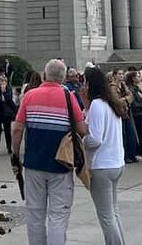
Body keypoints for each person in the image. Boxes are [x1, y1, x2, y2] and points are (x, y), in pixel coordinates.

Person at [11, 58, 87, 245]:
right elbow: (82, 130)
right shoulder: (69, 97)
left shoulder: (29, 96)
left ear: (45, 75)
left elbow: (17, 129)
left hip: (34, 163)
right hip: (61, 163)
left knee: (35, 214)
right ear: (62, 78)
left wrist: (15, 155)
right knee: (58, 216)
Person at [83, 65, 126, 245]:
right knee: (113, 212)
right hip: (116, 162)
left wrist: (81, 139)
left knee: (106, 216)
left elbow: (95, 139)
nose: (83, 85)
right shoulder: (112, 103)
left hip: (102, 165)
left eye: (85, 81)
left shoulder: (97, 105)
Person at [125, 71, 142, 161]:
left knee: (141, 132)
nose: (139, 78)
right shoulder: (132, 89)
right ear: (133, 79)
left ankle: (140, 152)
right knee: (137, 133)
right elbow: (133, 102)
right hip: (136, 113)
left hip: (141, 112)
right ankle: (137, 152)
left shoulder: (139, 88)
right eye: (137, 76)